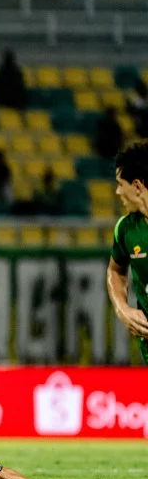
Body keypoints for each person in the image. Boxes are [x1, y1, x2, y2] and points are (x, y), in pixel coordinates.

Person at [106, 141, 148, 365]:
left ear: (137, 186)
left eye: (120, 184)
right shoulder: (125, 229)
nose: (117, 191)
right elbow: (115, 270)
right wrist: (123, 308)